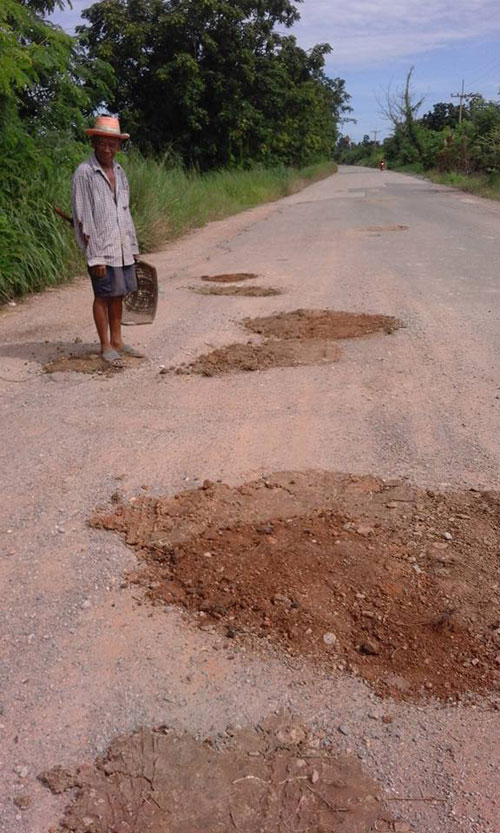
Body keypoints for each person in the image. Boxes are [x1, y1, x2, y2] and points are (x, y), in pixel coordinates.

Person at [72, 115, 144, 366]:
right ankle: (105, 345)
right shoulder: (84, 173)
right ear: (94, 143)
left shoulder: (120, 172)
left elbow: (125, 211)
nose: (107, 148)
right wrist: (95, 255)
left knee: (118, 294)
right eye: (102, 143)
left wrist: (132, 247)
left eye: (112, 144)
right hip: (101, 248)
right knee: (103, 295)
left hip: (122, 246)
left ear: (119, 146)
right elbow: (83, 217)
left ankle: (118, 341)